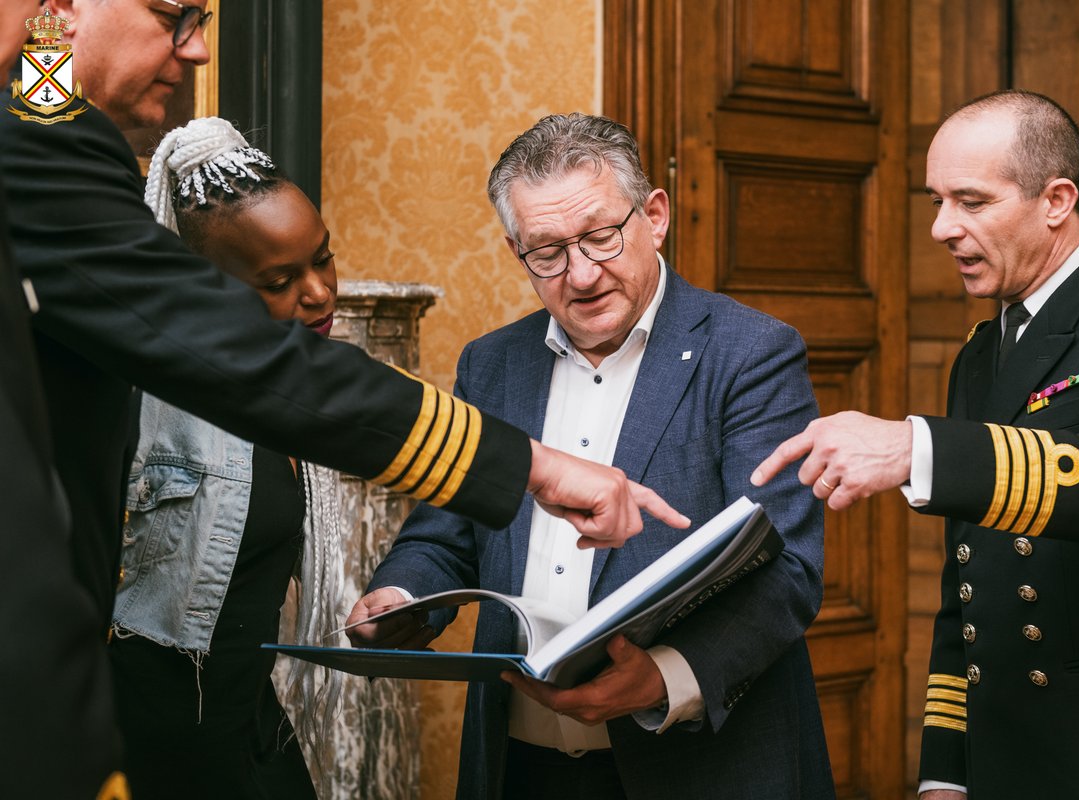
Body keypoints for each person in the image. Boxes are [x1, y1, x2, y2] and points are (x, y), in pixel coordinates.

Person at [1, 0, 685, 642]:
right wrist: (533, 466)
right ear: (60, 5)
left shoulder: (40, 121)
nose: (199, 48)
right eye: (172, 15)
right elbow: (244, 355)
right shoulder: (37, 139)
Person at [347, 113, 835, 800]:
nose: (579, 275)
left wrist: (665, 675)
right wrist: (399, 596)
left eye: (601, 238)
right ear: (516, 248)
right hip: (521, 762)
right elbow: (445, 534)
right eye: (546, 252)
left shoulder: (750, 353)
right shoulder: (492, 364)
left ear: (654, 216)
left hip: (694, 764)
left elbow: (786, 570)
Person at [753, 90, 1079, 799]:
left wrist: (914, 448)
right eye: (937, 200)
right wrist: (944, 770)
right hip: (1004, 761)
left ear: (1056, 200)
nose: (940, 228)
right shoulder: (982, 354)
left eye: (970, 201)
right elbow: (971, 592)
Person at [105, 117, 350, 799]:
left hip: (252, 742)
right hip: (148, 761)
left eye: (322, 257)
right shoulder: (134, 401)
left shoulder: (289, 393)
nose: (320, 292)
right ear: (201, 285)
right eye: (279, 279)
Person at [0, 2, 125, 797]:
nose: (196, 49)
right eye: (175, 17)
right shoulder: (47, 116)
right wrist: (49, 35)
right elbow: (48, 117)